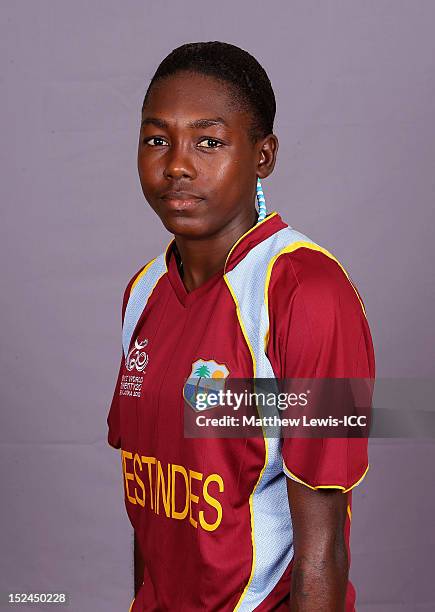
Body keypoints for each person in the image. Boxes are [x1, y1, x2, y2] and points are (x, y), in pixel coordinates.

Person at [107, 41, 375, 611]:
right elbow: (154, 515)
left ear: (263, 155)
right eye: (158, 139)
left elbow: (322, 547)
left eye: (209, 141)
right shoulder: (142, 291)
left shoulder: (306, 293)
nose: (177, 164)